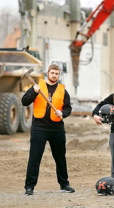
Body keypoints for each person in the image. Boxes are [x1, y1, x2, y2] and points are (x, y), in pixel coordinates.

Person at [22, 64, 74, 195]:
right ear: (47, 73)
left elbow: (68, 108)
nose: (54, 75)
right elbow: (24, 101)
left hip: (57, 129)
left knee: (60, 158)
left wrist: (63, 114)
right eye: (52, 73)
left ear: (58, 75)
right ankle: (29, 187)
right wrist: (34, 92)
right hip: (39, 128)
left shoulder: (63, 90)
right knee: (34, 158)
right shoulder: (37, 86)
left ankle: (64, 185)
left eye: (57, 73)